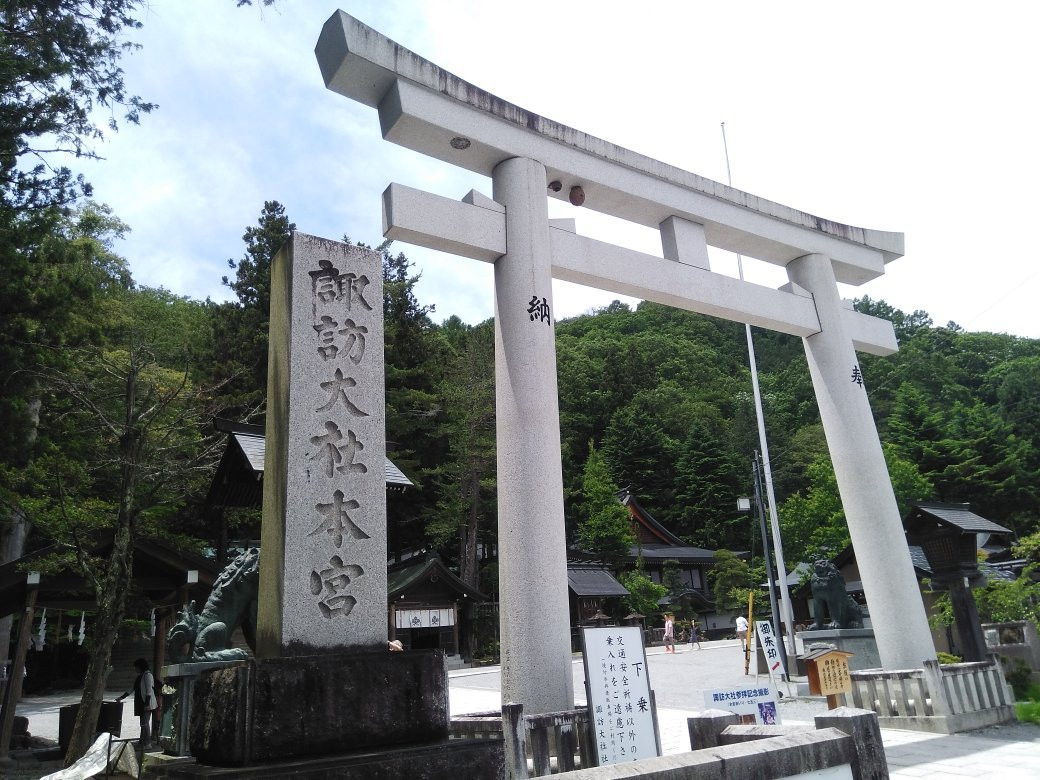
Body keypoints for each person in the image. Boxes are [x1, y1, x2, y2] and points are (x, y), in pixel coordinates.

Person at [117, 658, 158, 751]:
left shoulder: (147, 675)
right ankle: (142, 742)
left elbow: (149, 691)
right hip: (141, 703)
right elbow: (132, 688)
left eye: (136, 667)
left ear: (140, 666)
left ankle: (147, 743)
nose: (135, 669)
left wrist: (147, 704)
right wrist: (122, 697)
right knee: (143, 723)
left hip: (146, 703)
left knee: (145, 723)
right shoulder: (141, 676)